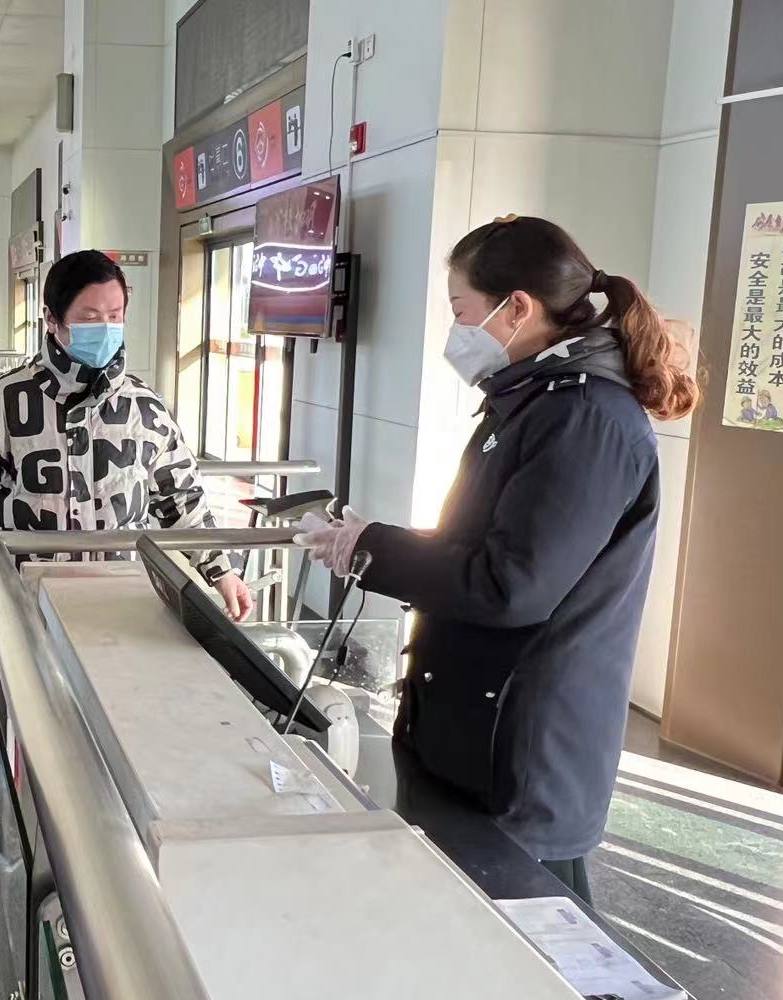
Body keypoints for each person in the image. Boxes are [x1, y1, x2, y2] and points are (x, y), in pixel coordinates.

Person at [295, 215, 698, 904]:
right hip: (471, 725)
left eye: (461, 311)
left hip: (521, 748)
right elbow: (489, 545)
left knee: (534, 940)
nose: (455, 331)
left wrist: (375, 550)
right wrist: (374, 542)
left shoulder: (584, 420)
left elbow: (512, 585)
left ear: (516, 308)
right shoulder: (530, 402)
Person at [0, 249, 253, 618]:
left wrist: (222, 571)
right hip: (22, 609)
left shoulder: (144, 409)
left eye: (115, 316)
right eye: (91, 318)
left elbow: (181, 498)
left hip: (121, 603)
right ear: (52, 318)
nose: (106, 328)